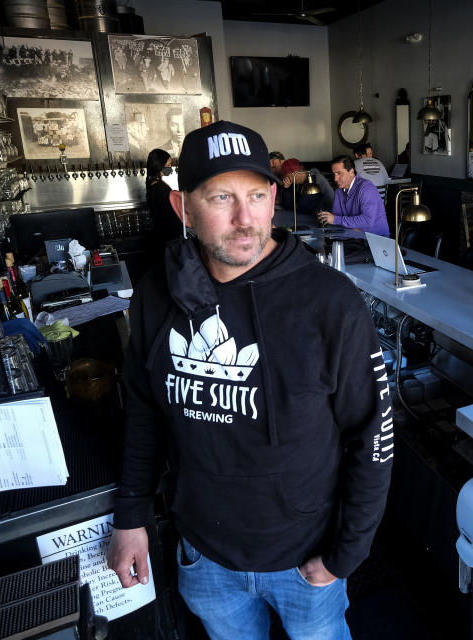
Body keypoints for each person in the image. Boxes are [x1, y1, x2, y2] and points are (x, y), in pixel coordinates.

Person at [106, 121, 393, 639]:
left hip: (307, 558)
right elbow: (144, 411)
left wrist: (345, 555)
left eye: (257, 195)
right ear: (183, 209)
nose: (245, 219)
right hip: (206, 554)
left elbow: (372, 435)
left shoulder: (332, 303)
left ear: (273, 197)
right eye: (221, 197)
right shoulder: (156, 295)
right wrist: (130, 515)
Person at [317, 155, 390, 236]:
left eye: (339, 173)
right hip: (354, 235)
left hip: (376, 240)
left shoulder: (366, 188)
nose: (335, 179)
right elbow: (337, 214)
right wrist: (327, 218)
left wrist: (335, 219)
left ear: (351, 172)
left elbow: (367, 220)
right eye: (334, 174)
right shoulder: (340, 188)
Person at [145, 148, 180, 244]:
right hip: (169, 236)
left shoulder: (153, 183)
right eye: (168, 165)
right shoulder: (159, 187)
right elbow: (170, 212)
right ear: (159, 166)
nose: (170, 168)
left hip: (163, 234)